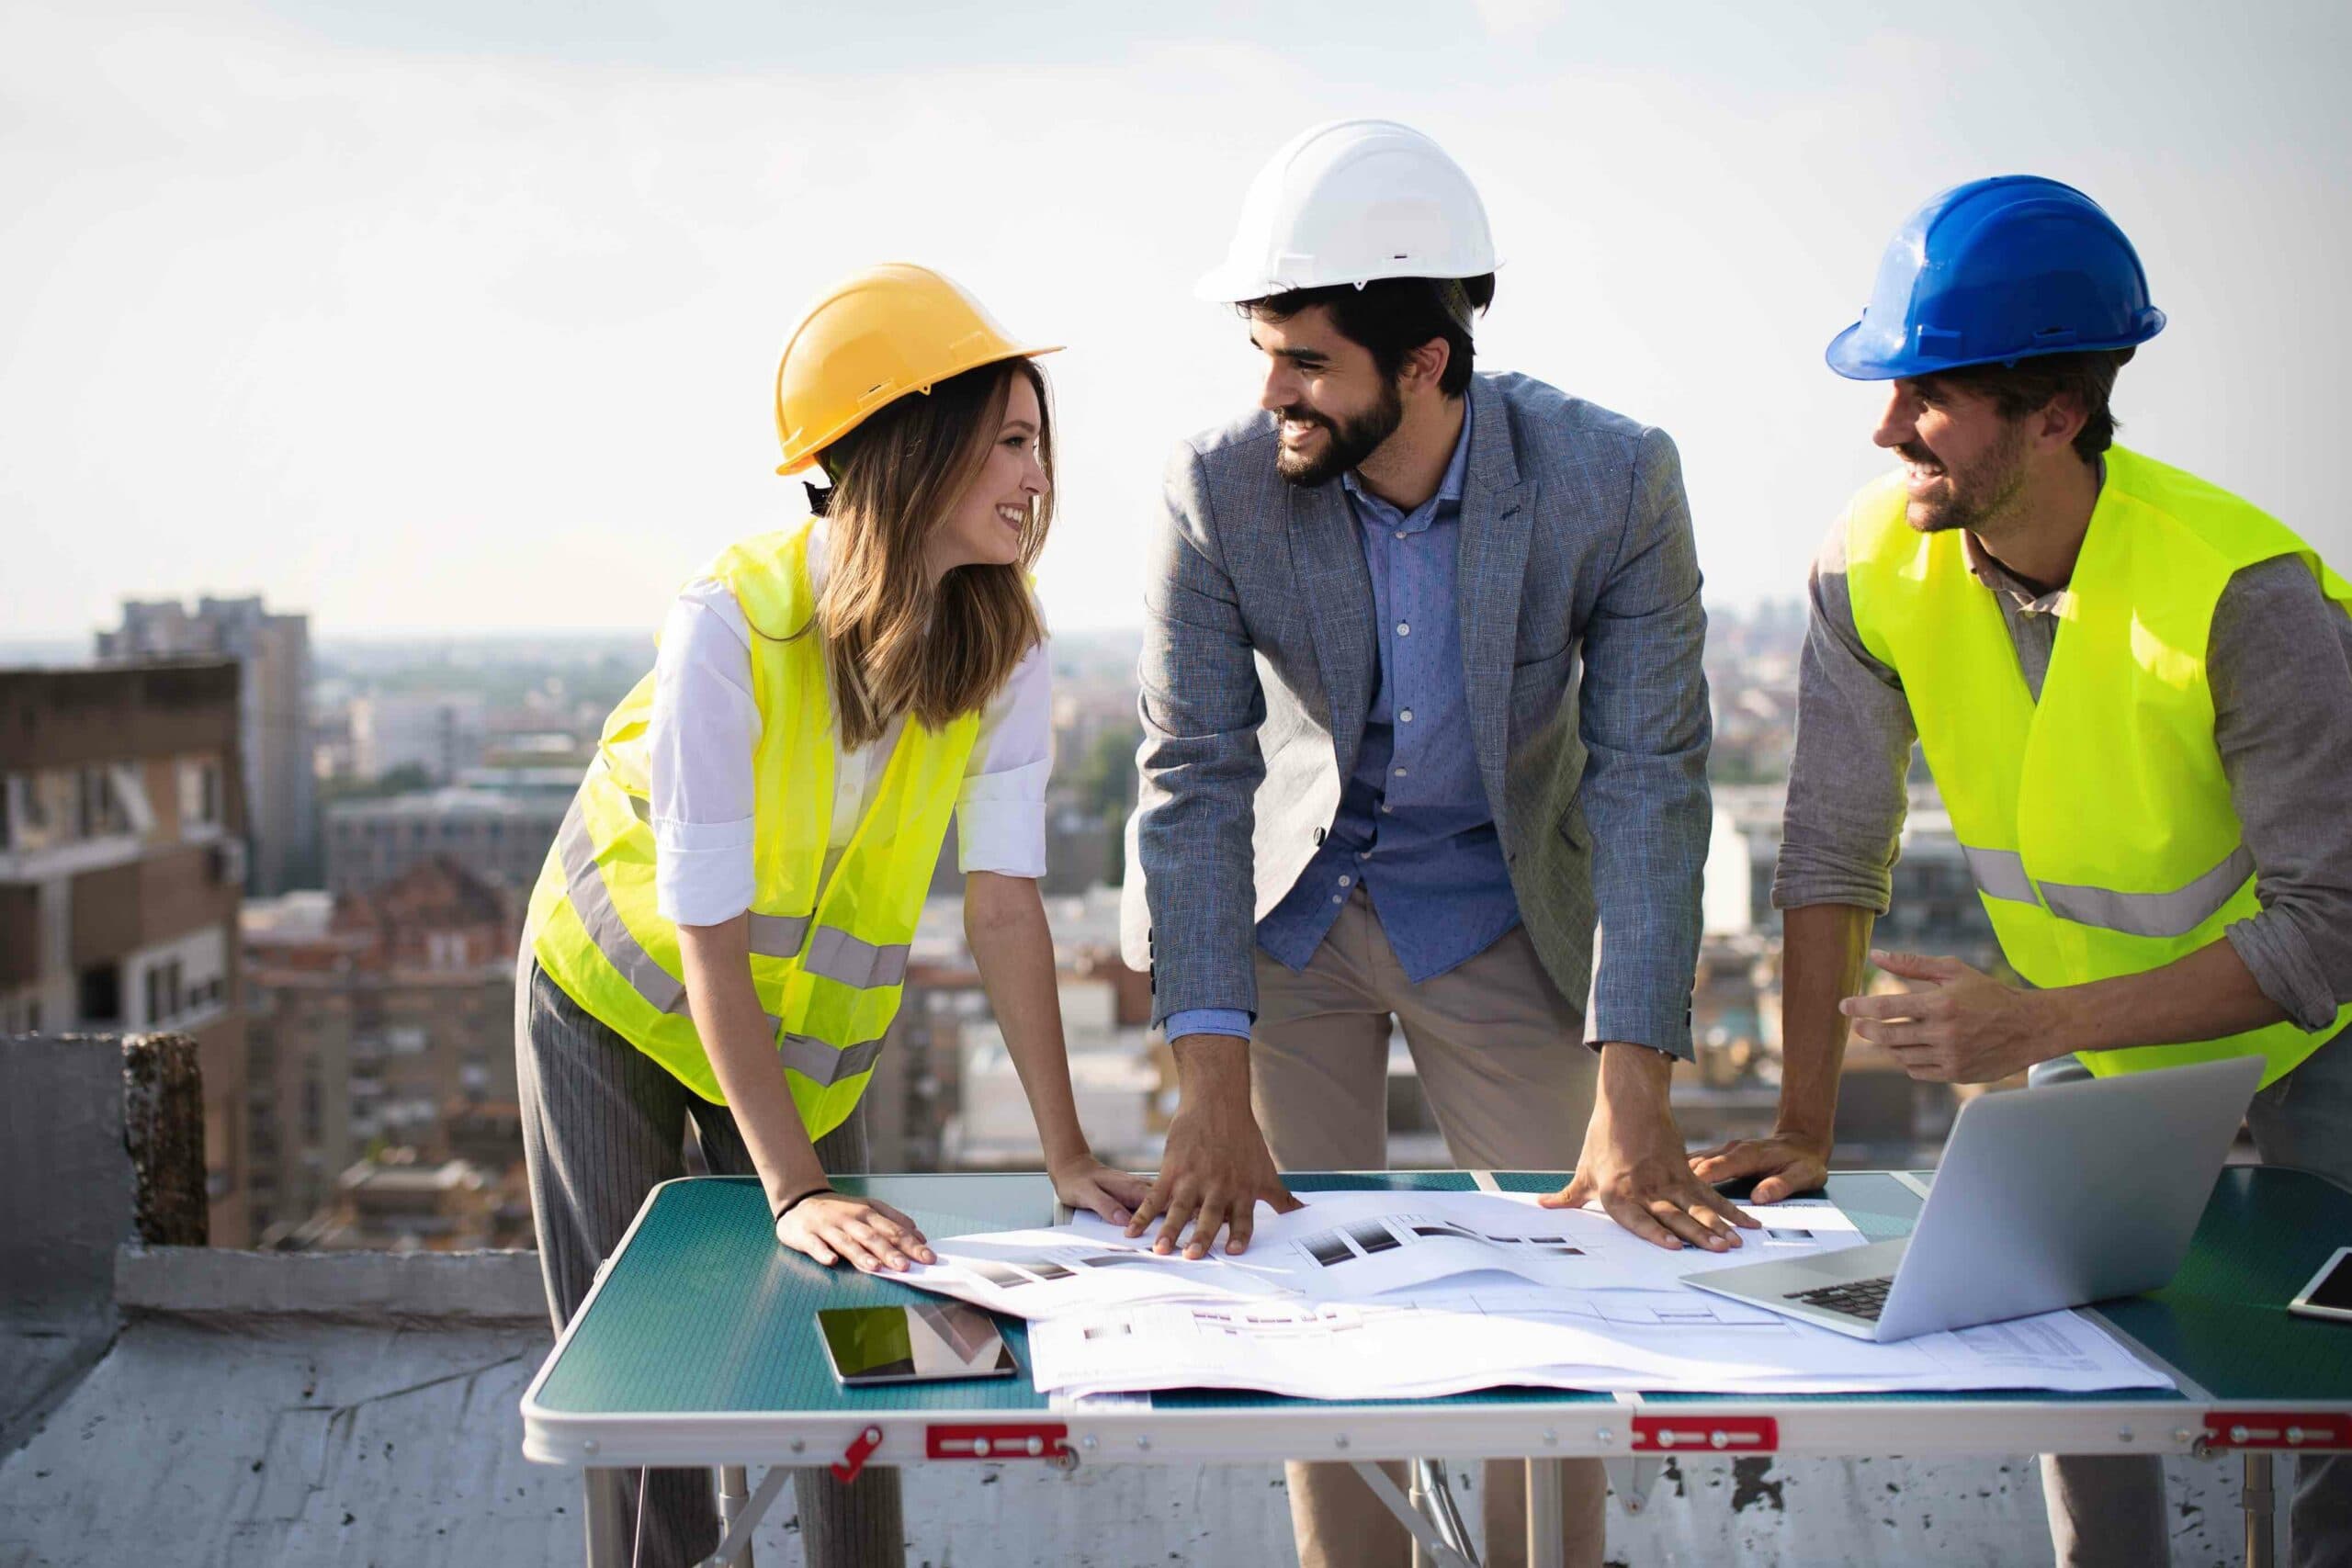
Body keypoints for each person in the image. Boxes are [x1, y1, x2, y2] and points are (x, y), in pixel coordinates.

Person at [1696, 176, 2352, 1568]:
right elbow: (1829, 851)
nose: (1884, 427)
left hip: (2323, 1055)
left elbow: (2328, 938)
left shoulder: (2245, 598)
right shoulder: (1871, 563)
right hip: (2085, 1054)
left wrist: (2038, 1024)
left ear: (2057, 411)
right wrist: (1805, 1122)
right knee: (2074, 1386)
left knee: (2328, 1430)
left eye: (1927, 392)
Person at [1119, 118, 1740, 1568]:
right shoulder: (1217, 487)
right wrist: (1209, 1085)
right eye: (1262, 350)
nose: (1270, 389)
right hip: (1296, 915)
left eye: (1306, 360)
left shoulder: (1613, 478)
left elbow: (1655, 777)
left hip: (1502, 904)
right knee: (1301, 1312)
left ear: (1426, 365)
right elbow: (1195, 777)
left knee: (1578, 1290)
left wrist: (1636, 1075)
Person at [517, 262, 1148, 1568]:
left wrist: (1067, 1156)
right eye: (1010, 443)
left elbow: (1008, 913)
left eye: (1043, 442)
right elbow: (704, 940)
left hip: (803, 1044)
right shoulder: (730, 628)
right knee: (649, 1395)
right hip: (614, 1009)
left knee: (868, 1366)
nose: (1041, 478)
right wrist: (791, 1184)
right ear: (911, 453)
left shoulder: (1008, 648)